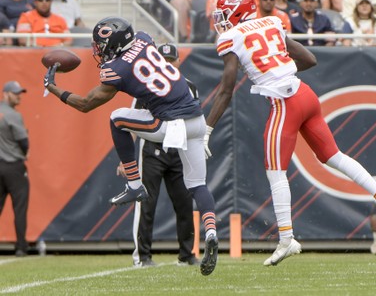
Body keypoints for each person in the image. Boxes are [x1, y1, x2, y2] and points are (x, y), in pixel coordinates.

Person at [205, 0, 376, 266]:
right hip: (304, 94)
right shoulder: (272, 22)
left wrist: (208, 128)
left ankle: (286, 238)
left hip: (284, 102)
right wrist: (278, 69)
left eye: (225, 15)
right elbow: (309, 59)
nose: (222, 21)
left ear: (238, 13)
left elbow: (226, 89)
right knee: (334, 156)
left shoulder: (229, 37)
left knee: (276, 172)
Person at [43, 16, 218, 276]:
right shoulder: (145, 40)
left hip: (169, 124)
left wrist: (54, 88)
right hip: (197, 121)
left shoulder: (116, 69)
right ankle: (212, 231)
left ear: (113, 42)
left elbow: (85, 104)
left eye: (101, 44)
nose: (99, 50)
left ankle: (135, 186)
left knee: (116, 119)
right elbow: (141, 43)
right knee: (198, 185)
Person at [125, 43, 199, 267]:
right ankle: (143, 257)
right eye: (163, 60)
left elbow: (195, 119)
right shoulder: (145, 88)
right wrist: (126, 158)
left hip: (180, 151)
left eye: (171, 60)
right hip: (152, 150)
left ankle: (187, 255)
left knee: (185, 204)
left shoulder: (189, 86)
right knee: (146, 204)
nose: (167, 64)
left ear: (178, 62)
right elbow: (131, 121)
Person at [0, 81, 29, 257]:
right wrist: (26, 151)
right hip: (14, 167)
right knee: (20, 207)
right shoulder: (13, 115)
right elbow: (24, 142)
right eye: (15, 92)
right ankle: (20, 247)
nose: (19, 95)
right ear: (5, 93)